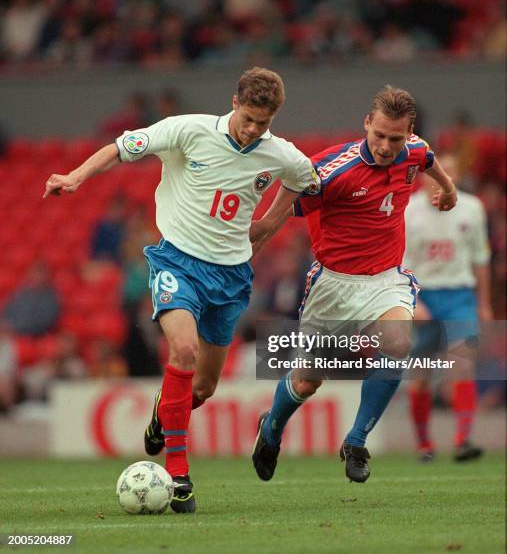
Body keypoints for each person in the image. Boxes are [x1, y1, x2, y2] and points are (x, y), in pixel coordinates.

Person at [43, 67, 318, 513]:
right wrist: (75, 177)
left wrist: (269, 222)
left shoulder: (279, 153)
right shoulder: (188, 130)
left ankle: (161, 413)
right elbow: (119, 148)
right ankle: (179, 474)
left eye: (262, 123)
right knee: (183, 351)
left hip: (230, 277)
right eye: (247, 118)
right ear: (234, 102)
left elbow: (305, 179)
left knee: (205, 387)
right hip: (176, 262)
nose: (252, 130)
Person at [250, 85, 457, 484]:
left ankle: (356, 440)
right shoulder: (333, 171)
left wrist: (446, 189)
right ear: (366, 123)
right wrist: (259, 233)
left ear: (407, 132)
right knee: (309, 379)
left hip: (385, 279)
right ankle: (271, 429)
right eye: (378, 134)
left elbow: (428, 159)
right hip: (333, 285)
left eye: (394, 138)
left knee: (398, 342)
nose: (384, 145)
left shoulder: (413, 149)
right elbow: (288, 200)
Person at [404, 154, 492, 462]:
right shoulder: (408, 211)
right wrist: (411, 303)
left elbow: (481, 258)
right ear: (425, 176)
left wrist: (484, 304)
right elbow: (397, 265)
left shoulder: (472, 208)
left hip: (459, 297)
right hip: (423, 297)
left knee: (462, 364)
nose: (441, 180)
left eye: (449, 175)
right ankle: (424, 444)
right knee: (421, 373)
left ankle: (462, 440)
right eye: (436, 174)